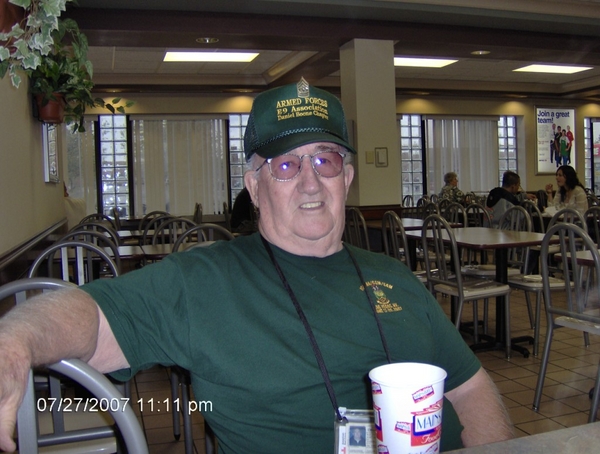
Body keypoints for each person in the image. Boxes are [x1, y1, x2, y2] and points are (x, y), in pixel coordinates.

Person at [0, 79, 514, 453]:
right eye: (287, 165)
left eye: (325, 160)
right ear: (254, 187)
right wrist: (14, 342)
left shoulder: (397, 276)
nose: (310, 183)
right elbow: (88, 317)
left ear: (347, 177)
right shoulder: (204, 280)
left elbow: (469, 388)